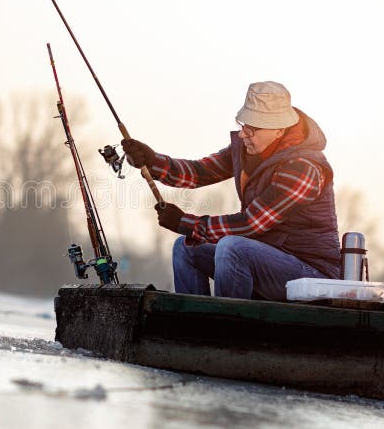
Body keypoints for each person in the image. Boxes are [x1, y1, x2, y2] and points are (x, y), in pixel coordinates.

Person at [122, 81, 340, 300]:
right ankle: (190, 326)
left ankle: (224, 325)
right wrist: (151, 161)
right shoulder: (249, 149)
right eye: (242, 124)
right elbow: (200, 172)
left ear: (278, 130)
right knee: (185, 248)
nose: (244, 134)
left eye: (252, 128)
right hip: (264, 257)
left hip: (311, 275)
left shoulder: (303, 167)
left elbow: (251, 223)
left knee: (231, 247)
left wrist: (186, 223)